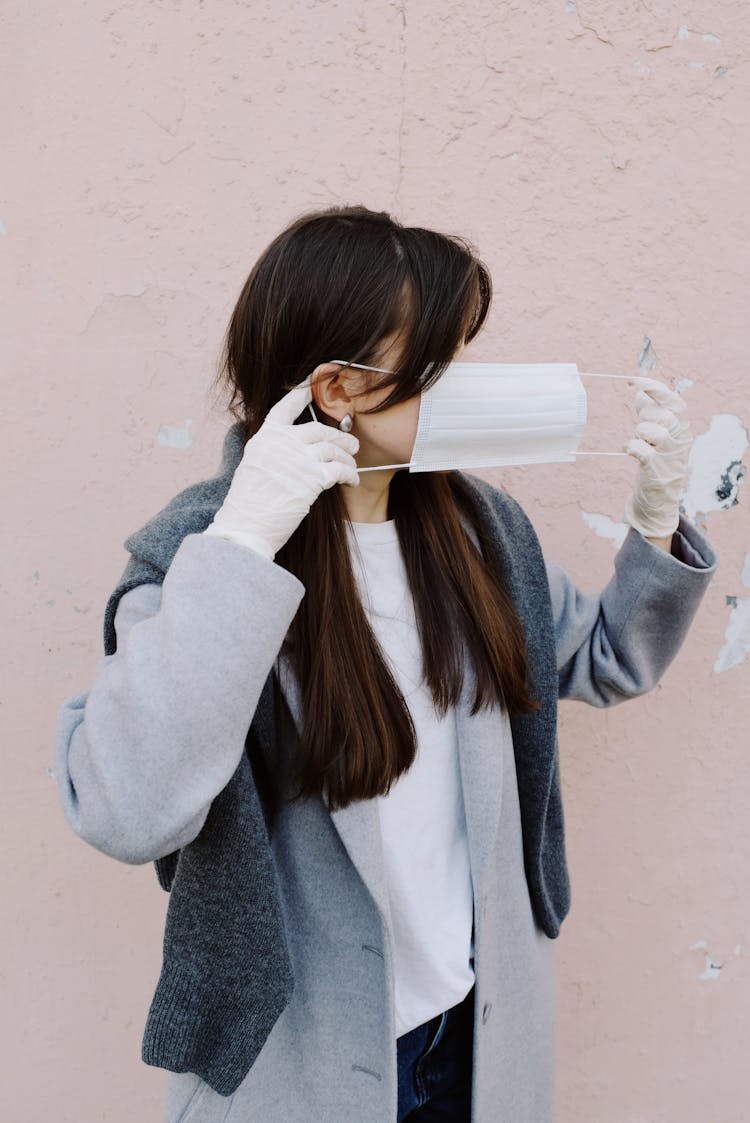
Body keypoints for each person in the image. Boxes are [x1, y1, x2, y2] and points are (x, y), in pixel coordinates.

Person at [53, 205, 716, 1123]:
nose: (460, 385)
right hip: (306, 1067)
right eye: (435, 367)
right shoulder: (201, 557)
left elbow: (607, 659)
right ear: (337, 386)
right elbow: (125, 804)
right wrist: (243, 542)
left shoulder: (483, 536)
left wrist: (654, 524)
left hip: (475, 1045)